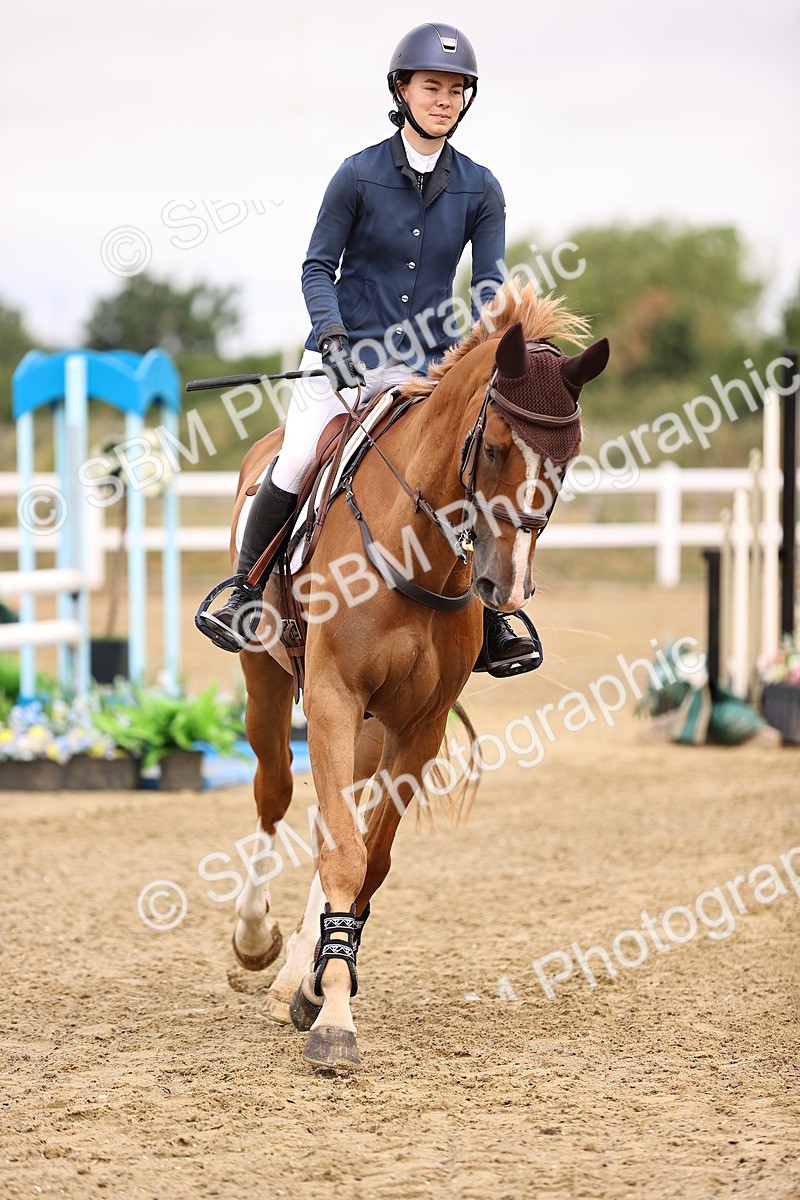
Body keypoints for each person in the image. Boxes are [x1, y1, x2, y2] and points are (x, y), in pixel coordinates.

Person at [198, 22, 541, 675]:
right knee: (297, 458)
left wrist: (468, 359)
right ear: (402, 89)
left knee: (468, 471)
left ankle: (492, 618)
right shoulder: (356, 176)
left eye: (456, 90)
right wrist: (332, 338)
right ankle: (245, 590)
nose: (444, 99)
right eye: (432, 86)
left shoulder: (481, 188)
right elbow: (316, 268)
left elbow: (489, 284)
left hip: (426, 372)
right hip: (344, 360)